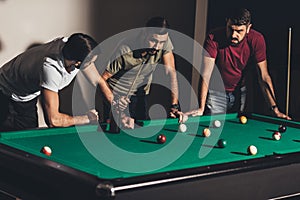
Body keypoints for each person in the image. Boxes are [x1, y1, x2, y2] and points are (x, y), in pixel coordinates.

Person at [185, 8, 290, 119]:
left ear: (248, 28)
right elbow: (206, 74)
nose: (234, 35)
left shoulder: (257, 40)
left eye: (239, 31)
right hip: (216, 93)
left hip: (240, 91)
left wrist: (275, 109)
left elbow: (264, 77)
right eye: (231, 29)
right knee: (214, 129)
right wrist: (201, 108)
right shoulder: (213, 38)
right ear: (227, 22)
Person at [0, 33, 99, 131]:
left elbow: (97, 80)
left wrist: (112, 100)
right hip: (5, 91)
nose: (91, 65)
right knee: (8, 137)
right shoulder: (51, 68)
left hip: (26, 97)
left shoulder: (69, 45)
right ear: (78, 63)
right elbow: (54, 120)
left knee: (30, 135)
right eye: (90, 62)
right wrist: (86, 119)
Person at [97, 16, 180, 129]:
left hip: (141, 95)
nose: (157, 47)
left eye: (161, 42)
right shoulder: (124, 50)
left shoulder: (163, 41)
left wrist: (174, 106)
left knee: (141, 130)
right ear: (144, 34)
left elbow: (171, 73)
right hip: (118, 96)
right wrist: (115, 102)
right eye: (153, 41)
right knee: (117, 134)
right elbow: (101, 79)